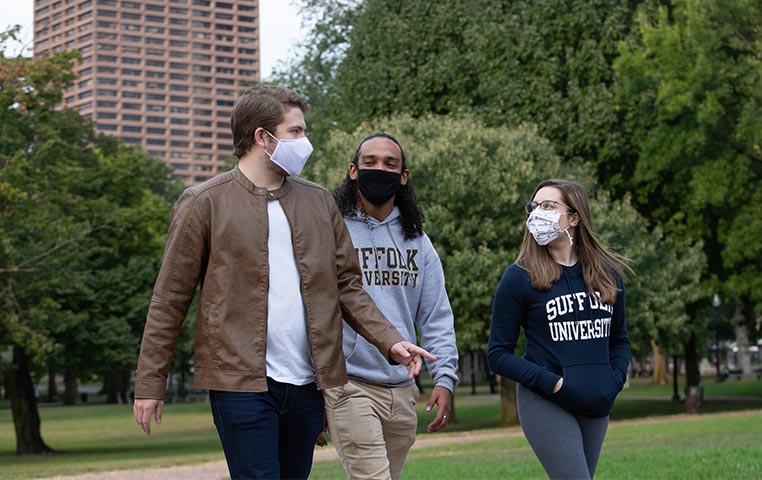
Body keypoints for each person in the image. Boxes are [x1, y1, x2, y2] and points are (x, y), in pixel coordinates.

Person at [132, 86, 434, 480]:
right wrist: (150, 383)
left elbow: (347, 286)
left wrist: (390, 340)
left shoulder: (318, 202)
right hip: (240, 384)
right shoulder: (204, 202)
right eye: (295, 132)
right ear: (262, 137)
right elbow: (169, 299)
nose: (304, 142)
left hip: (309, 383)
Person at [322, 132, 460, 480]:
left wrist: (444, 378)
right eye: (370, 163)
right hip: (348, 383)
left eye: (390, 164)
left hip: (402, 386)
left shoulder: (418, 241)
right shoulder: (331, 229)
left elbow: (435, 316)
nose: (379, 169)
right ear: (353, 170)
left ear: (404, 176)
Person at [487, 179, 631, 480]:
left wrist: (613, 381)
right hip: (546, 399)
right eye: (534, 206)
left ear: (574, 217)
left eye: (549, 206)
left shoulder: (607, 275)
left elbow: (619, 340)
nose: (538, 213)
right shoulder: (519, 277)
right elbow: (498, 355)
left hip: (596, 399)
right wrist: (553, 384)